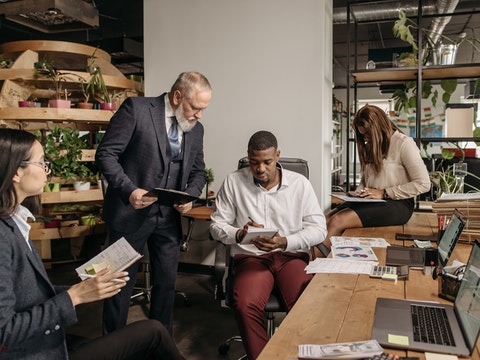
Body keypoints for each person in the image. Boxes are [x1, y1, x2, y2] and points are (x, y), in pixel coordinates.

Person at [0, 128, 186, 360]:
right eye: (41, 162)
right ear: (17, 172)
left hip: (49, 341)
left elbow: (28, 296)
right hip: (34, 352)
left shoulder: (16, 221)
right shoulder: (3, 234)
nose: (48, 169)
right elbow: (4, 332)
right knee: (154, 332)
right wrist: (75, 297)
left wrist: (85, 287)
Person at [95, 71, 212, 334]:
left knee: (166, 285)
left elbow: (198, 172)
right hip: (129, 214)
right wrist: (130, 191)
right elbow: (106, 155)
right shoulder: (136, 110)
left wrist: (190, 196)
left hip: (168, 219)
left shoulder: (197, 129)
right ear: (177, 96)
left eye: (204, 109)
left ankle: (160, 346)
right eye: (196, 107)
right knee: (118, 286)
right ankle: (113, 348)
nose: (200, 115)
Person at [210, 130, 327, 359]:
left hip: (290, 256)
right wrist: (238, 233)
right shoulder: (234, 181)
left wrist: (284, 241)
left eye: (267, 162)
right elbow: (216, 225)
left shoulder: (299, 184)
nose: (260, 169)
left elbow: (319, 229)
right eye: (254, 162)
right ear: (248, 156)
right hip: (251, 258)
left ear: (278, 156)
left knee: (307, 304)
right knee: (244, 304)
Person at [313, 104, 431, 258]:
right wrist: (359, 191)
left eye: (367, 134)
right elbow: (368, 177)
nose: (365, 139)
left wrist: (384, 193)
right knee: (325, 218)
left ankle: (312, 263)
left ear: (378, 128)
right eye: (363, 135)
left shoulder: (404, 143)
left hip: (398, 203)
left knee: (338, 220)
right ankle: (314, 257)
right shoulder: (372, 144)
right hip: (371, 200)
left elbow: (423, 183)